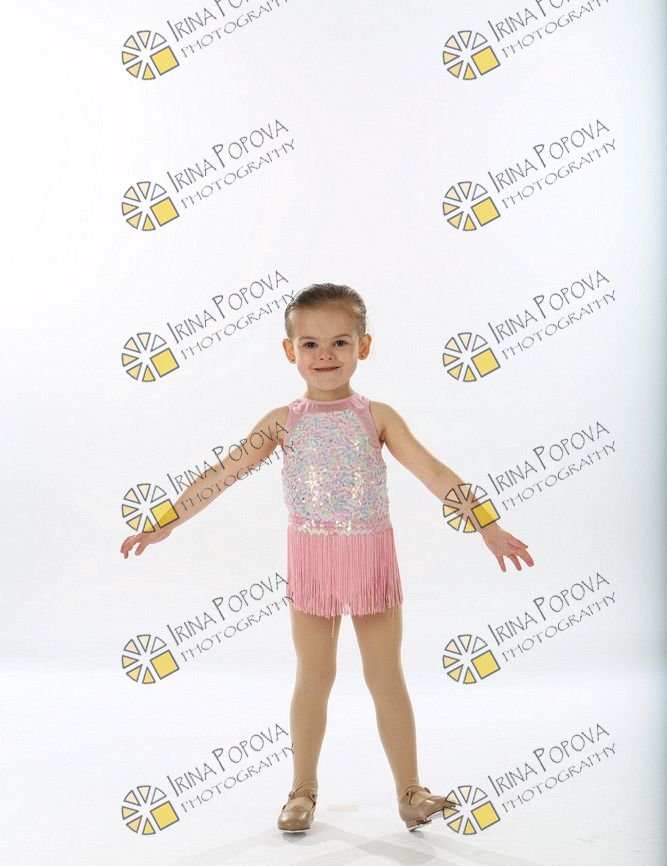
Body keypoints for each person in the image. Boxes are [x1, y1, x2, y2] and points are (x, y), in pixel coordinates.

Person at [121, 282, 534, 834]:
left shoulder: (377, 416)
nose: (325, 356)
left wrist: (487, 524)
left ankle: (410, 792)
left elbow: (434, 472)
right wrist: (169, 519)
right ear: (289, 350)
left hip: (370, 558)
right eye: (310, 344)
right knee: (314, 676)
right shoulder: (282, 421)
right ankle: (302, 790)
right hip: (312, 561)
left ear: (364, 346)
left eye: (340, 342)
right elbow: (224, 473)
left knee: (385, 675)